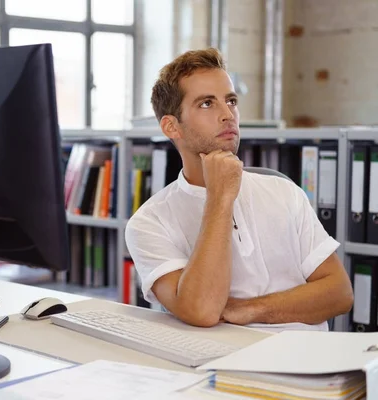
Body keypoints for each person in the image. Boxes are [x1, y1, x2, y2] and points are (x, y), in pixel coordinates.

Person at [124, 48, 353, 332]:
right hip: (220, 364)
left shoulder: (284, 191)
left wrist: (248, 309)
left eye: (231, 101)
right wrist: (220, 198)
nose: (227, 115)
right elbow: (203, 310)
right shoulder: (148, 223)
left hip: (307, 361)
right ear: (172, 127)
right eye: (207, 104)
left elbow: (339, 293)